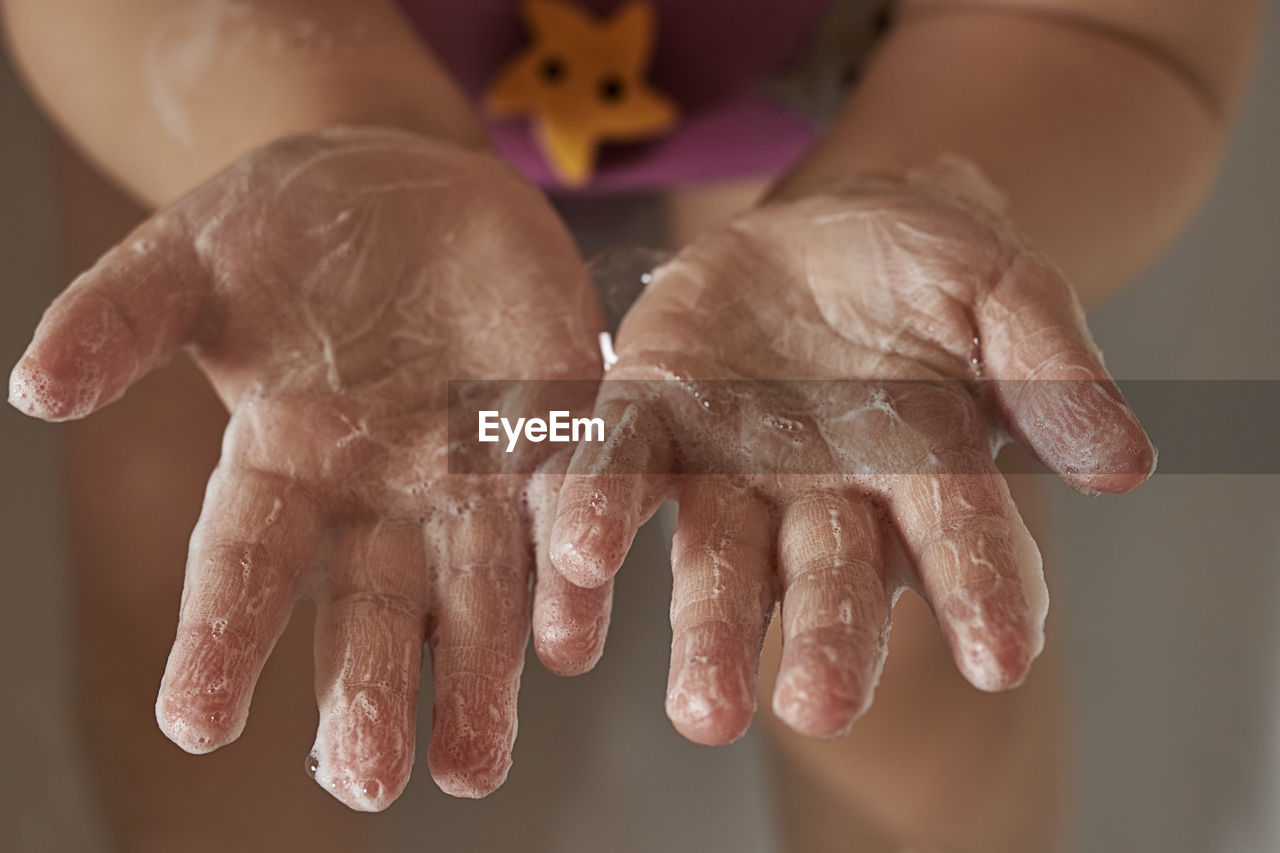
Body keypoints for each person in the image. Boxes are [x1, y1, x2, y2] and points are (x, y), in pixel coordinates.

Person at [1, 0, 1261, 850]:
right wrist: (300, 113)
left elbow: (1104, 23)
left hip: (866, 65)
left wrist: (926, 174)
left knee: (894, 579)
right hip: (273, 49)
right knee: (191, 523)